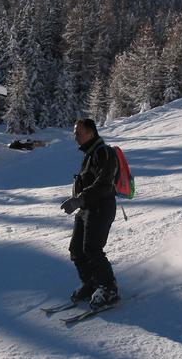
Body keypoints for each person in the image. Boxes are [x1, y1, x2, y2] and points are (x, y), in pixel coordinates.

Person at [60, 118, 120, 309]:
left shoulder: (105, 153)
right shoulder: (89, 153)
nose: (75, 136)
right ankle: (91, 283)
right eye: (74, 132)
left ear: (90, 133)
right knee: (76, 250)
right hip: (86, 208)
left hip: (102, 208)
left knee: (93, 249)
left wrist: (79, 199)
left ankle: (109, 289)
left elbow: (103, 184)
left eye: (78, 133)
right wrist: (79, 201)